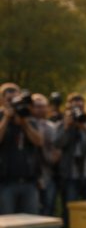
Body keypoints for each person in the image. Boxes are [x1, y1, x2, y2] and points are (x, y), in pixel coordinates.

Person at [55, 92, 86, 228]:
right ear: (68, 108)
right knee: (70, 211)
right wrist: (67, 128)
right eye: (74, 107)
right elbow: (58, 144)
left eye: (80, 107)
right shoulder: (61, 125)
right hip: (70, 176)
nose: (78, 110)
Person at [0, 83, 44, 215]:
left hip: (29, 182)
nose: (13, 103)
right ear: (2, 100)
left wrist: (25, 124)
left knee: (31, 222)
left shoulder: (28, 118)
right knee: (7, 222)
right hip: (5, 183)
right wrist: (6, 119)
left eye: (16, 99)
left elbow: (39, 141)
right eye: (10, 100)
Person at [31, 94, 61, 216]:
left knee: (48, 210)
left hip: (48, 174)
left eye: (43, 106)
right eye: (37, 106)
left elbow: (56, 150)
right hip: (30, 177)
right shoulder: (24, 124)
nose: (40, 109)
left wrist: (54, 157)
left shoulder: (50, 126)